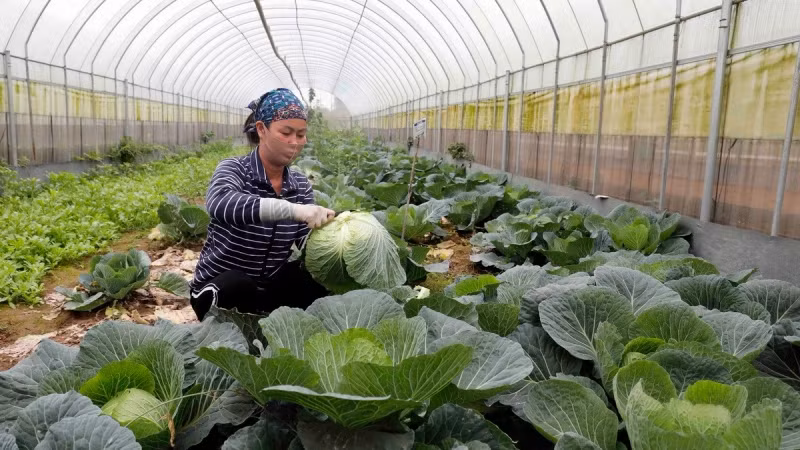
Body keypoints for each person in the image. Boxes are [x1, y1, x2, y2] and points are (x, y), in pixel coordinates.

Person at [189, 88, 335, 320]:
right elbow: (220, 203)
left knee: (312, 279)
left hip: (266, 288)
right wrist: (293, 210)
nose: (295, 142)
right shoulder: (235, 169)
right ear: (261, 129)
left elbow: (305, 239)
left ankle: (280, 327)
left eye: (301, 135)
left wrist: (339, 230)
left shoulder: (299, 184)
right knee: (238, 285)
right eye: (286, 132)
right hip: (219, 288)